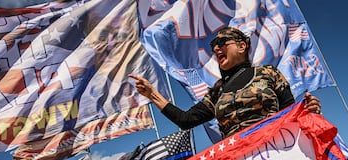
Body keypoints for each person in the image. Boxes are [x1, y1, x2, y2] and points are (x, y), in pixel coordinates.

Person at [129, 27, 321, 139]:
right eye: (213, 46)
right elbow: (185, 121)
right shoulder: (217, 91)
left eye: (222, 42)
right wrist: (152, 94)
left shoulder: (268, 73)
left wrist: (309, 110)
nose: (216, 48)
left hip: (276, 151)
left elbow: (291, 113)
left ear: (241, 46)